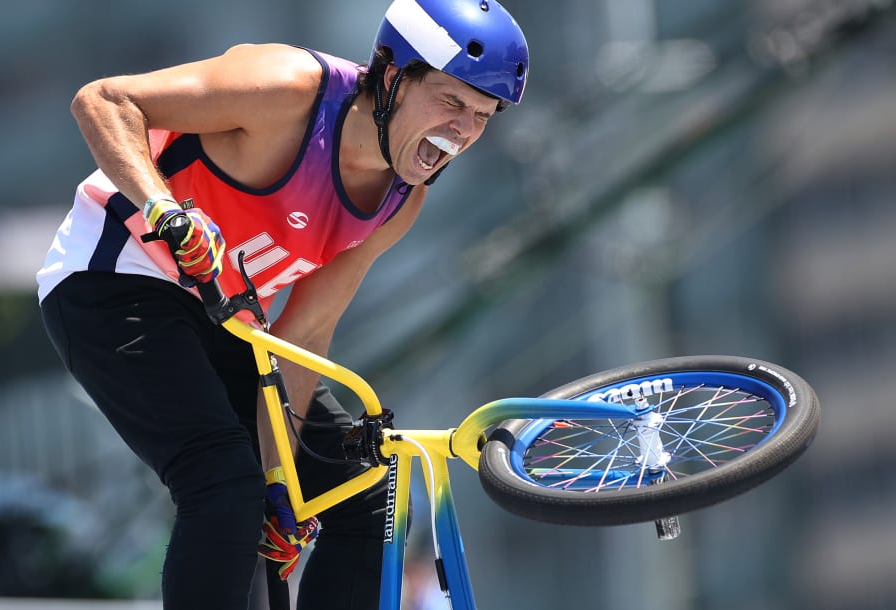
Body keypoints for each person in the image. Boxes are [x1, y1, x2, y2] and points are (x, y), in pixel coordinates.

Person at [36, 0, 528, 608]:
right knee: (222, 482)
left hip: (226, 318)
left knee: (359, 491)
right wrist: (162, 209)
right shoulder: (289, 90)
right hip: (111, 280)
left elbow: (305, 334)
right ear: (392, 73)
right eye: (451, 102)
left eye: (483, 116)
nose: (463, 131)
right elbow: (104, 101)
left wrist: (282, 482)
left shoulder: (401, 200)